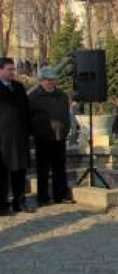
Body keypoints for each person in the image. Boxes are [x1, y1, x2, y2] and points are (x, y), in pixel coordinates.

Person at [29, 67, 74, 206]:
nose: (51, 83)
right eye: (48, 80)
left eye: (53, 80)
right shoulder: (34, 96)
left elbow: (67, 114)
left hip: (59, 137)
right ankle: (43, 198)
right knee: (43, 169)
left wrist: (66, 129)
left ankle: (60, 195)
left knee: (59, 168)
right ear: (41, 81)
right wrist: (35, 131)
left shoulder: (62, 95)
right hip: (42, 138)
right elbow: (29, 117)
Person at [0, 57, 34, 215]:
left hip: (20, 137)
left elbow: (26, 111)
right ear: (0, 70)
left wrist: (29, 132)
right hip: (2, 138)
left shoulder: (19, 87)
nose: (13, 72)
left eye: (13, 69)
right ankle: (2, 205)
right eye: (9, 69)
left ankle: (19, 202)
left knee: (19, 171)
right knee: (2, 173)